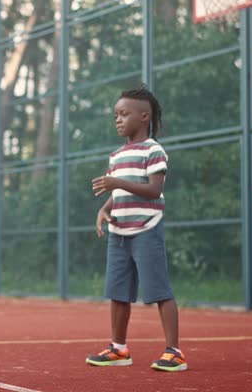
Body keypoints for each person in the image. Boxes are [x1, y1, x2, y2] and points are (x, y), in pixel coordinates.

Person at [86, 85, 187, 372]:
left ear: (144, 117)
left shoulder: (153, 150)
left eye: (124, 114)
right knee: (118, 292)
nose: (118, 119)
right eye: (115, 115)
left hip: (146, 230)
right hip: (119, 233)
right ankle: (118, 349)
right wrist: (105, 209)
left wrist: (117, 183)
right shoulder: (116, 155)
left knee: (159, 290)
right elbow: (118, 192)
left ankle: (174, 352)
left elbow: (154, 190)